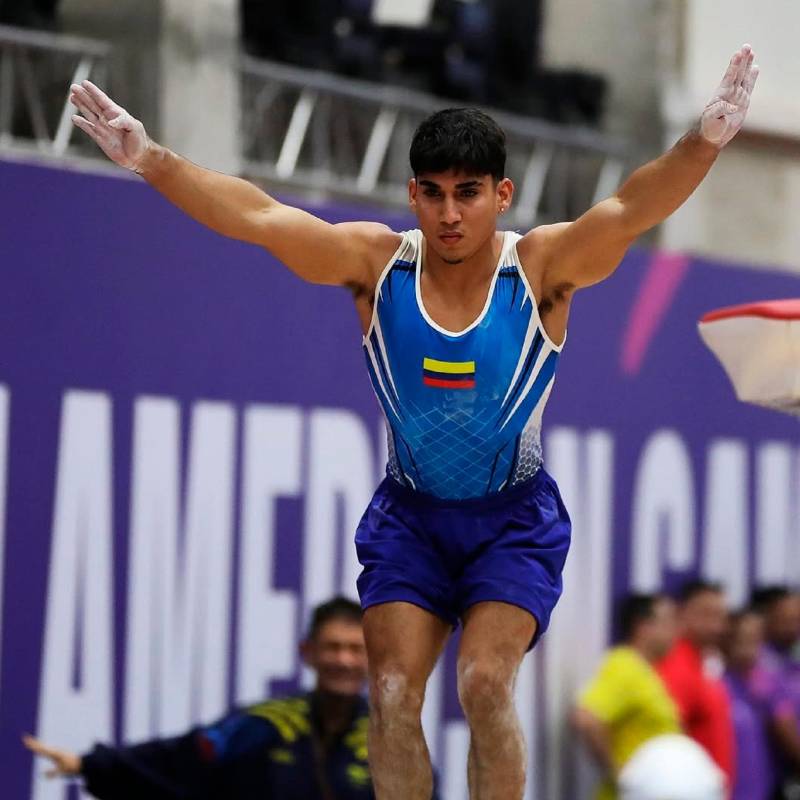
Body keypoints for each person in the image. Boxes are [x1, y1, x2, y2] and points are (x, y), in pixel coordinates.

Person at [66, 43, 759, 800]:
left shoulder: (540, 269)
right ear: (412, 194)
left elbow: (633, 206)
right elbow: (260, 217)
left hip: (512, 520)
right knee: (392, 692)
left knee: (485, 687)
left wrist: (706, 141)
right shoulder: (376, 264)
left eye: (467, 193)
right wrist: (153, 160)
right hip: (410, 518)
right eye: (431, 194)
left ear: (503, 193)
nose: (449, 214)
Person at [23, 597, 398, 800]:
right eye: (332, 647)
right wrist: (91, 765)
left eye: (355, 649)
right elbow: (179, 759)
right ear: (308, 652)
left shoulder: (391, 739)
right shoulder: (263, 725)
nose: (344, 661)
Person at [573, 593, 681, 800]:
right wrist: (621, 776)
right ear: (642, 625)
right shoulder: (625, 665)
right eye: (668, 621)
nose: (676, 631)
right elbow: (586, 718)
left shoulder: (647, 671)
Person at [657, 581, 735, 790]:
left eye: (721, 616)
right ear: (681, 614)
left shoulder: (706, 665)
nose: (717, 626)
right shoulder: (676, 665)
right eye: (707, 615)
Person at [722, 608, 800, 800]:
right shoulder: (716, 681)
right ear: (727, 640)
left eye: (756, 638)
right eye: (742, 637)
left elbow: (786, 728)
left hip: (763, 788)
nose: (749, 645)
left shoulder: (769, 682)